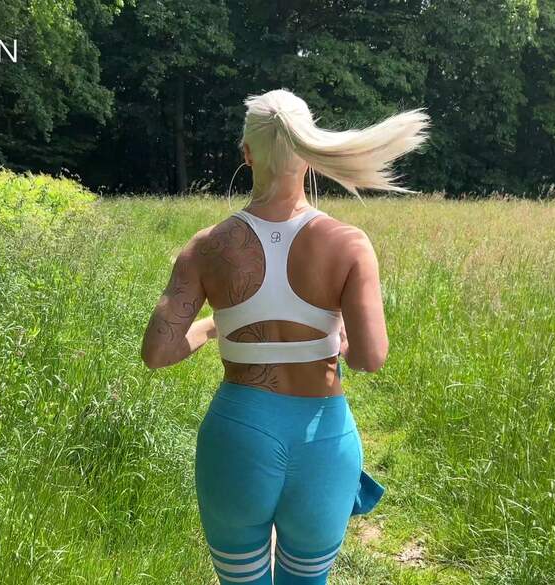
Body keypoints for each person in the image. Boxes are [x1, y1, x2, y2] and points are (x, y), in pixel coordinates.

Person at [141, 88, 429, 584]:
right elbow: (369, 358)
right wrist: (338, 338)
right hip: (323, 441)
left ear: (246, 153)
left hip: (237, 437)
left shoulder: (207, 246)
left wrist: (214, 326)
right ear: (309, 154)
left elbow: (157, 352)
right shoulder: (349, 243)